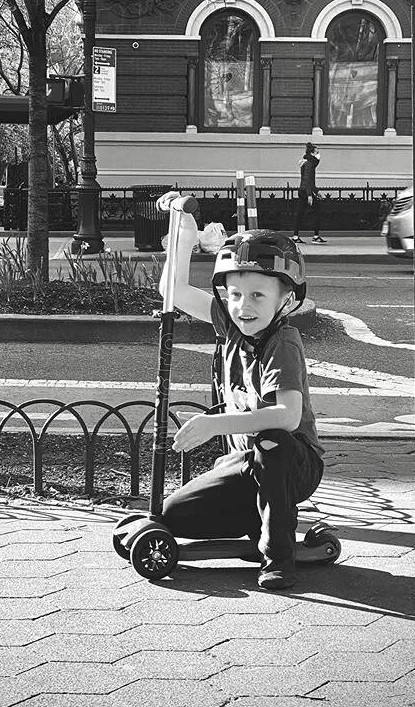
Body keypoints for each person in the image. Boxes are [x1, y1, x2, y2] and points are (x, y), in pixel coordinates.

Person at [157, 212, 324, 590]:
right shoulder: (232, 327)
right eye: (234, 295)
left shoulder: (282, 342)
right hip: (244, 463)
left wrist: (214, 424)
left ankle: (278, 556)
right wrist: (184, 237)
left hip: (294, 464)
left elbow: (288, 417)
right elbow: (174, 291)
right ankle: (262, 522)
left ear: (285, 299)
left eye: (257, 295)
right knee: (174, 516)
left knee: (273, 440)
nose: (243, 306)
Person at [292, 142, 326, 244]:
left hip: (304, 191)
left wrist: (316, 191)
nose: (318, 155)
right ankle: (315, 236)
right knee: (316, 212)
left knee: (301, 214)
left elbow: (309, 181)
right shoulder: (310, 164)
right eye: (317, 152)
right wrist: (310, 195)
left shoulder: (307, 163)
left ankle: (296, 235)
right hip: (306, 192)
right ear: (312, 154)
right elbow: (307, 180)